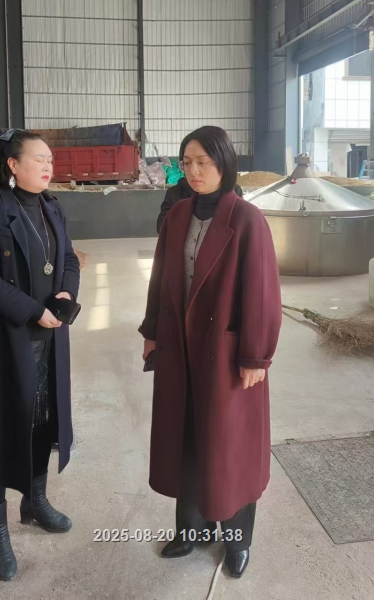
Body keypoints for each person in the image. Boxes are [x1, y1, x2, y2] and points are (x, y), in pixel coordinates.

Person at [140, 126, 281, 579]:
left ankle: (237, 540)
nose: (194, 171)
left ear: (224, 164)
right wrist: (151, 331)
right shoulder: (177, 215)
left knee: (227, 448)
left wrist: (256, 356)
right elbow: (161, 278)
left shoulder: (247, 219)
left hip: (226, 353)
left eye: (204, 162)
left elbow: (262, 293)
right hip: (179, 347)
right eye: (188, 162)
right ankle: (192, 530)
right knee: (187, 440)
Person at [0, 129, 80, 582]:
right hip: (4, 339)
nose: (48, 166)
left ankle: (35, 500)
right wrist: (33, 311)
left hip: (48, 339)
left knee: (41, 420)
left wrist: (66, 292)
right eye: (38, 159)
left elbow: (69, 259)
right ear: (13, 164)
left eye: (50, 159)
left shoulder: (52, 207)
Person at [157, 176, 243, 233]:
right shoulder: (175, 193)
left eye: (202, 163)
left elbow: (241, 229)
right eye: (187, 163)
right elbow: (162, 228)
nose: (194, 170)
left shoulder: (234, 191)